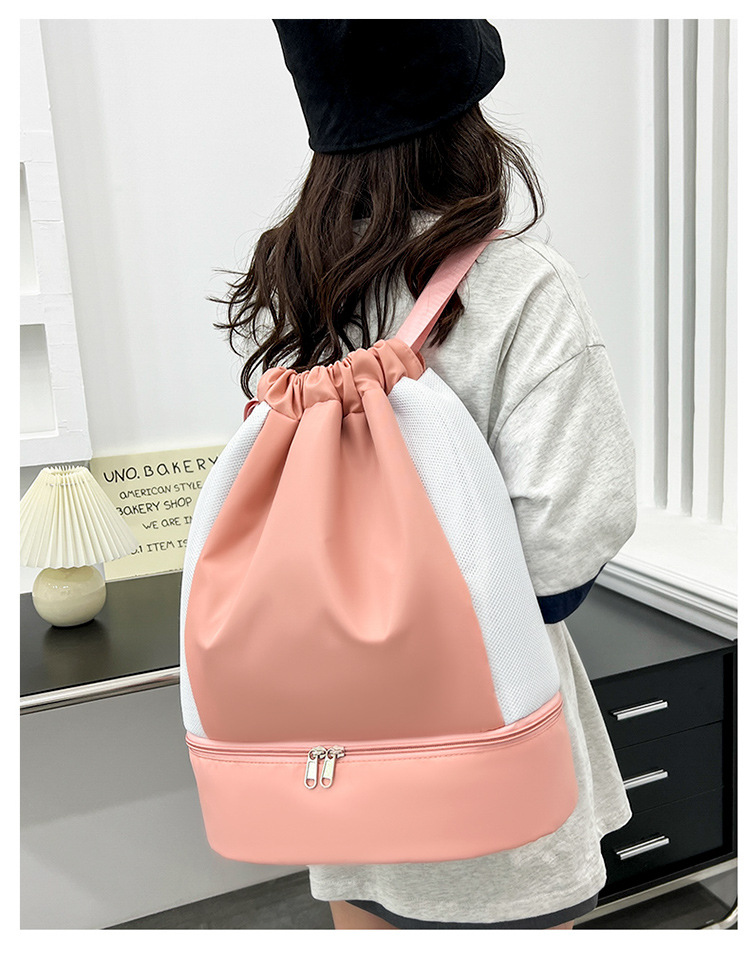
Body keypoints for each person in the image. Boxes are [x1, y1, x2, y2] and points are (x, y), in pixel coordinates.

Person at [213, 19, 637, 930]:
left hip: (339, 760)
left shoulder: (297, 287)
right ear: (468, 122)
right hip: (494, 765)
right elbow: (564, 548)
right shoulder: (523, 285)